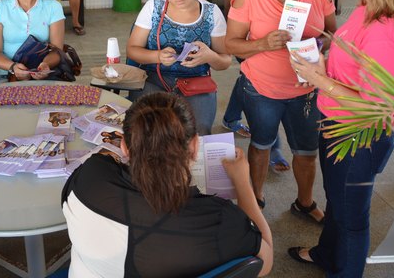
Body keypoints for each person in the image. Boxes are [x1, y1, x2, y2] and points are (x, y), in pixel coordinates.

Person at [62, 92, 273, 277]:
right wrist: (244, 183)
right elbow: (264, 262)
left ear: (124, 147)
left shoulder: (90, 175)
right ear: (194, 147)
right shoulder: (219, 220)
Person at [288, 0, 394, 277]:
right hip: (337, 126)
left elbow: (376, 106)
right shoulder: (364, 9)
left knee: (352, 218)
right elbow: (353, 62)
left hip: (359, 137)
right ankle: (326, 254)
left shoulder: (382, 28)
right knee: (337, 201)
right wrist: (323, 64)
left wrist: (320, 80)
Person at [225, 0, 337, 215]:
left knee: (307, 152)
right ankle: (256, 199)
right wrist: (262, 43)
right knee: (261, 145)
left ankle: (305, 203)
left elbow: (331, 34)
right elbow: (231, 44)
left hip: (307, 88)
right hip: (262, 88)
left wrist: (316, 51)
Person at [127, 0, 231, 135]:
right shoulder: (154, 8)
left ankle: (188, 163)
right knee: (146, 129)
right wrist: (157, 56)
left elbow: (225, 61)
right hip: (153, 79)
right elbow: (132, 50)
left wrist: (209, 56)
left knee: (198, 131)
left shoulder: (212, 13)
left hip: (196, 83)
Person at [222, 0, 290, 173]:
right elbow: (230, 9)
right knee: (264, 92)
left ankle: (230, 118)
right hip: (249, 42)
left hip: (277, 41)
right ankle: (274, 148)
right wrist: (251, 37)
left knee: (247, 80)